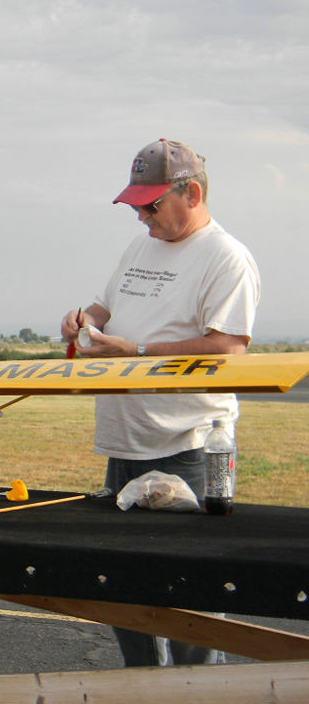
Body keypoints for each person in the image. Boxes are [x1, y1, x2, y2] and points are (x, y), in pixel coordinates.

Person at [60, 138, 260, 667]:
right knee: (124, 590)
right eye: (136, 207)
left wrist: (138, 351)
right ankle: (142, 688)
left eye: (151, 206)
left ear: (191, 193)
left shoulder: (226, 257)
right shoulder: (140, 248)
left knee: (192, 595)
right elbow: (106, 306)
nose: (142, 218)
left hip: (187, 445)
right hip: (125, 441)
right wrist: (86, 322)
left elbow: (228, 347)